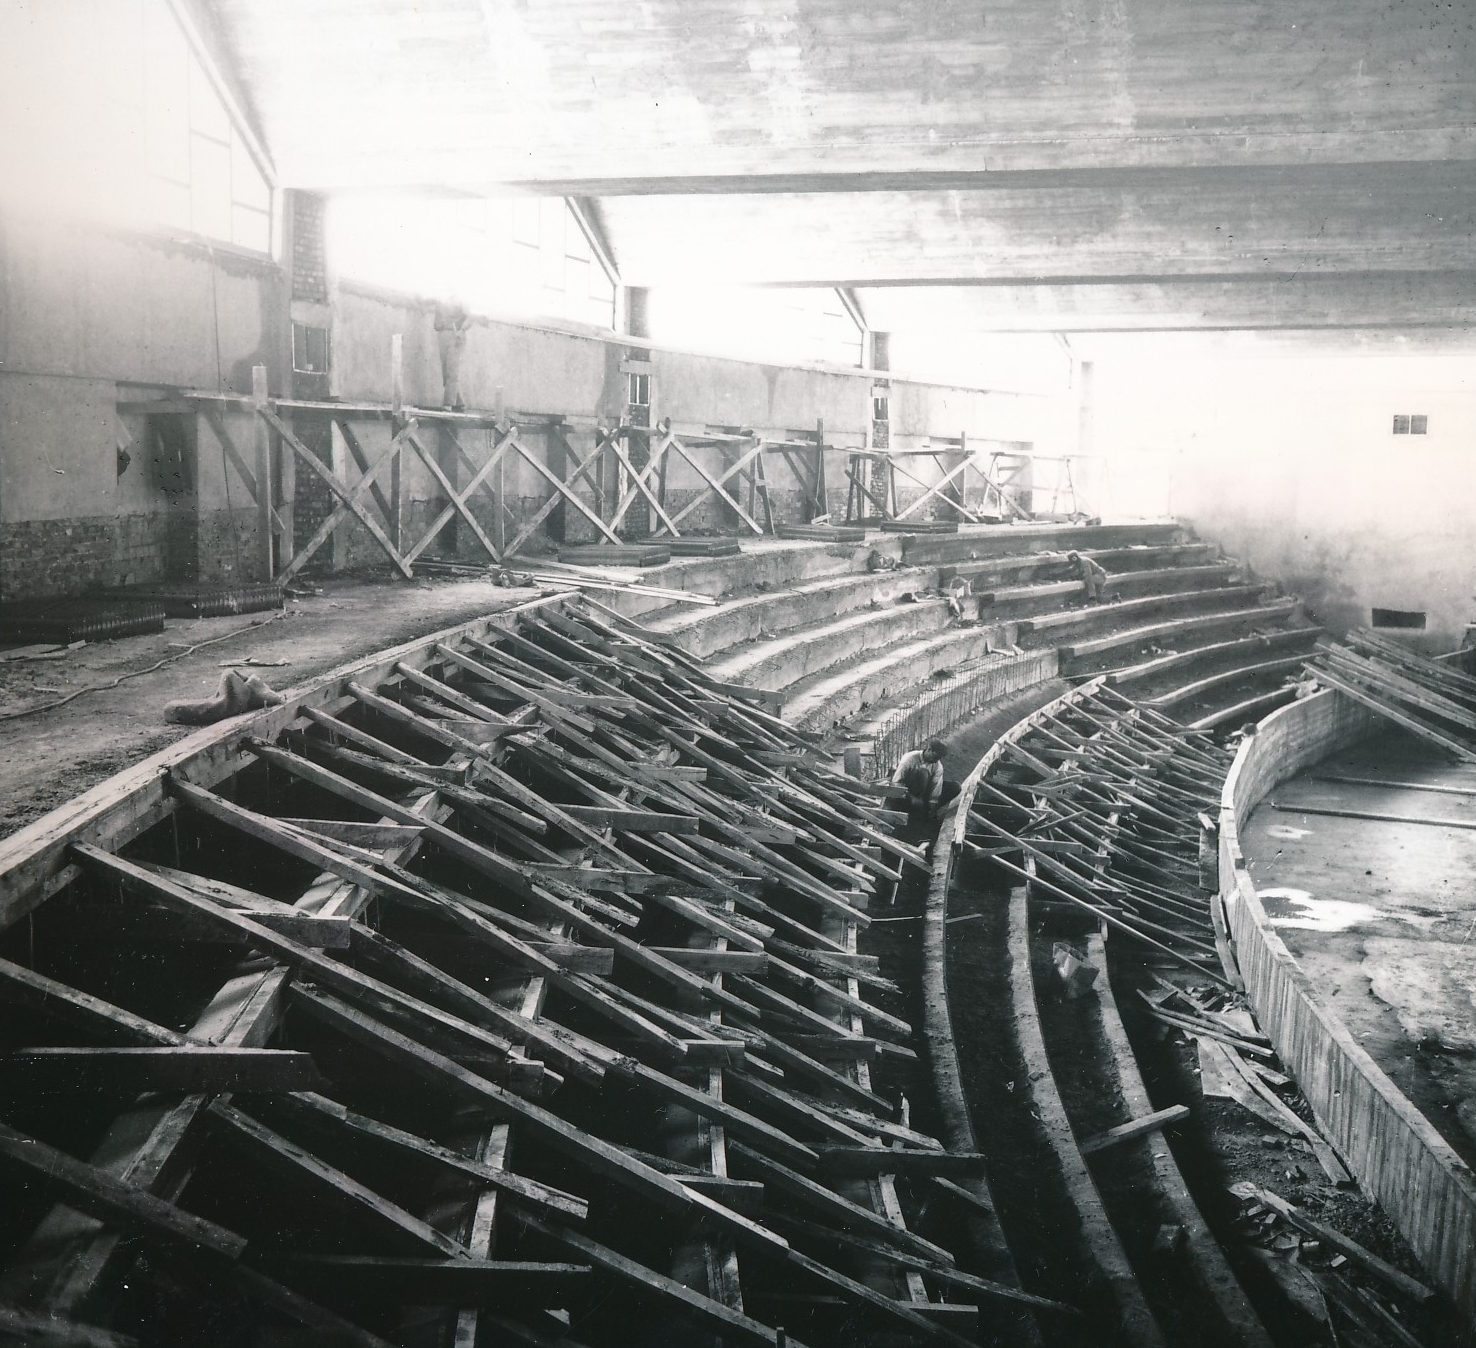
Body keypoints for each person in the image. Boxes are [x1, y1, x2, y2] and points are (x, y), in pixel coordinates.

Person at [892, 739, 961, 829]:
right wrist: (911, 798)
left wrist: (932, 807)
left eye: (939, 759)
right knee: (922, 772)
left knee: (955, 787)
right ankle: (914, 812)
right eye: (935, 757)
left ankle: (925, 811)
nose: (936, 761)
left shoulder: (937, 766)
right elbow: (896, 782)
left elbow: (936, 788)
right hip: (907, 791)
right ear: (929, 749)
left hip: (923, 793)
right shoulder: (910, 759)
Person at [433, 301, 472, 410]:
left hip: (456, 334)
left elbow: (470, 317)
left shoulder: (461, 296)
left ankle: (448, 404)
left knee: (452, 370)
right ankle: (460, 403)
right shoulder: (441, 297)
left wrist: (462, 330)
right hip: (442, 335)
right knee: (446, 372)